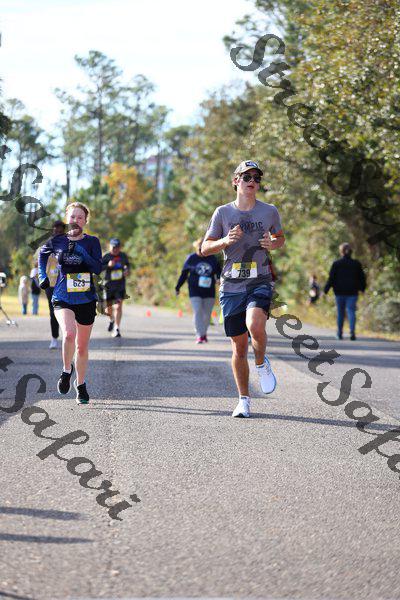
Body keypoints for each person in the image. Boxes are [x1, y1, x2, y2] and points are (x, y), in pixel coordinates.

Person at [202, 160, 285, 418]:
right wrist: (225, 240)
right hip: (231, 285)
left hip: (260, 280)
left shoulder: (269, 211)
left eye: (256, 178)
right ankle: (244, 400)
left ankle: (260, 363)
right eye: (246, 176)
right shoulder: (222, 213)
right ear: (235, 181)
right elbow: (205, 248)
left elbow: (280, 238)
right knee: (238, 348)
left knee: (255, 325)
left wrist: (272, 243)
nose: (252, 181)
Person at [38, 202, 102, 405]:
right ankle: (66, 371)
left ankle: (80, 384)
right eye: (72, 216)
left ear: (85, 221)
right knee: (68, 334)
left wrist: (83, 253)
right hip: (62, 295)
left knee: (81, 348)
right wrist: (42, 275)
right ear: (67, 219)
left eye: (80, 217)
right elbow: (42, 255)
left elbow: (97, 268)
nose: (76, 220)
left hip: (86, 299)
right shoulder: (57, 240)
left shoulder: (92, 242)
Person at [175, 238, 221, 343]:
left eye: (203, 248)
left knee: (207, 314)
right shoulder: (191, 258)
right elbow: (184, 274)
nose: (201, 250)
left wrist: (218, 278)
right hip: (194, 290)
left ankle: (203, 333)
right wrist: (178, 287)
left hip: (209, 291)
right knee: (198, 311)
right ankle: (199, 335)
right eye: (199, 248)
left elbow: (218, 271)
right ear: (196, 247)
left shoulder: (212, 258)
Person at [324, 242, 366, 341]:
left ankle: (339, 334)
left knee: (340, 313)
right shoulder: (356, 264)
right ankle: (352, 332)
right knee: (351, 311)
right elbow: (362, 278)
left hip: (339, 292)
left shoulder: (336, 264)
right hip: (353, 292)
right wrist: (362, 288)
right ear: (351, 252)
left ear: (341, 252)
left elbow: (331, 278)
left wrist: (326, 289)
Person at [101, 238, 130, 338]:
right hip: (108, 285)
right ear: (110, 247)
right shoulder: (106, 256)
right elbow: (99, 269)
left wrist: (127, 271)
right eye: (113, 247)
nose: (115, 249)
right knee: (108, 308)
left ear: (120, 247)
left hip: (119, 285)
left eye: (117, 247)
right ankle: (111, 320)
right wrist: (108, 266)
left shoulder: (123, 256)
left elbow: (127, 266)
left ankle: (117, 328)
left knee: (118, 307)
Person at [45, 220, 66, 349]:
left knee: (67, 310)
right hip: (51, 283)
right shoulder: (47, 244)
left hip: (65, 282)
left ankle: (67, 336)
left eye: (60, 229)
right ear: (53, 230)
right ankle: (54, 338)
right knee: (53, 311)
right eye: (56, 229)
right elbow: (39, 261)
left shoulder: (68, 243)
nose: (58, 231)